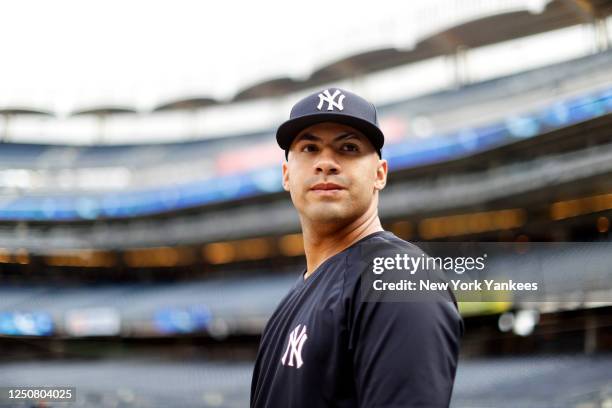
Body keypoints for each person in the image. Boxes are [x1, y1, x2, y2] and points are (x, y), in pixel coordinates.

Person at [250, 88, 463, 407]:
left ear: (380, 174)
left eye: (348, 148)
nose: (325, 163)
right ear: (286, 176)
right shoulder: (293, 300)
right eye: (309, 147)